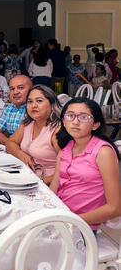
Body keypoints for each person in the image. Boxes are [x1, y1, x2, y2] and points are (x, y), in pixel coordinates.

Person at [50, 97, 121, 232]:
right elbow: (54, 187)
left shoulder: (102, 152)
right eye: (70, 116)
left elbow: (115, 208)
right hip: (59, 218)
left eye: (84, 117)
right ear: (64, 121)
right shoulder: (66, 149)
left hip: (81, 227)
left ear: (95, 124)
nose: (75, 122)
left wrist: (72, 220)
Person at [5, 85, 61, 185]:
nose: (33, 105)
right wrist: (20, 153)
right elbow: (10, 143)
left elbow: (69, 168)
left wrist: (41, 183)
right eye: (30, 101)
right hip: (27, 178)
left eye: (39, 101)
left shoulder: (56, 130)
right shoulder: (27, 124)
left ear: (52, 105)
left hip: (49, 185)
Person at [0, 74, 33, 145]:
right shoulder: (9, 108)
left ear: (31, 90)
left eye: (20, 88)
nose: (15, 92)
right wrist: (8, 143)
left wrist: (10, 144)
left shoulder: (34, 109)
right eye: (12, 89)